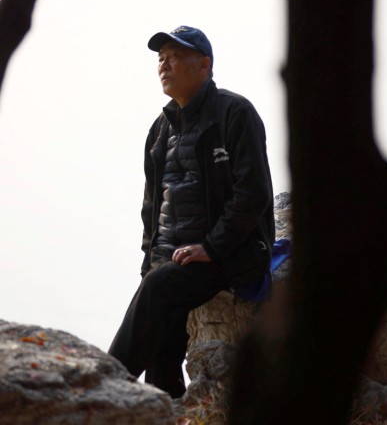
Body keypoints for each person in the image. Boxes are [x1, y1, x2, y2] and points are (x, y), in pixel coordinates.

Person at [109, 26, 275, 397]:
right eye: (161, 58)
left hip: (228, 254)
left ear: (204, 65)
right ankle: (165, 409)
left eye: (176, 56)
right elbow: (151, 207)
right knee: (161, 339)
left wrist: (211, 247)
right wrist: (150, 261)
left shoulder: (235, 113)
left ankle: (101, 388)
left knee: (158, 288)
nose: (164, 65)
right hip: (173, 258)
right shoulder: (159, 130)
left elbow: (253, 193)